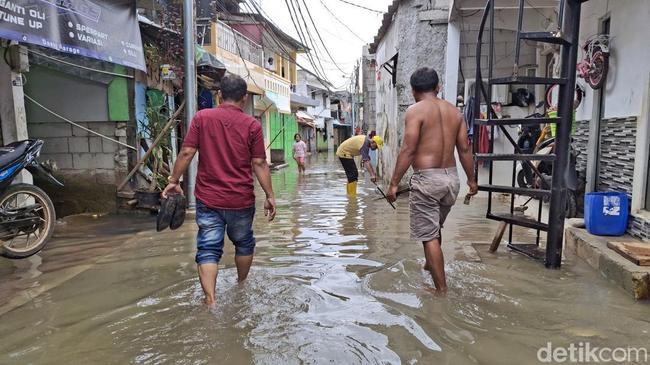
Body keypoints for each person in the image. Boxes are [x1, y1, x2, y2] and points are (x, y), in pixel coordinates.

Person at [162, 74, 277, 307]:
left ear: (219, 95)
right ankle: (241, 286)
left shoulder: (202, 118)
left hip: (208, 199)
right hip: (241, 200)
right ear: (244, 98)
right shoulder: (252, 125)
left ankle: (210, 299)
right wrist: (270, 195)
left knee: (208, 248)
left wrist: (174, 180)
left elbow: (186, 152)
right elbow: (259, 163)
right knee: (244, 243)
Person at [386, 67, 478, 293]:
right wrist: (472, 181)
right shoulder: (455, 112)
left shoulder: (415, 111)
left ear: (413, 90)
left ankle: (441, 290)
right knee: (434, 228)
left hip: (428, 179)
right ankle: (429, 264)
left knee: (428, 236)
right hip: (451, 180)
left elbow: (408, 149)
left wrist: (394, 183)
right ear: (438, 88)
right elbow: (465, 149)